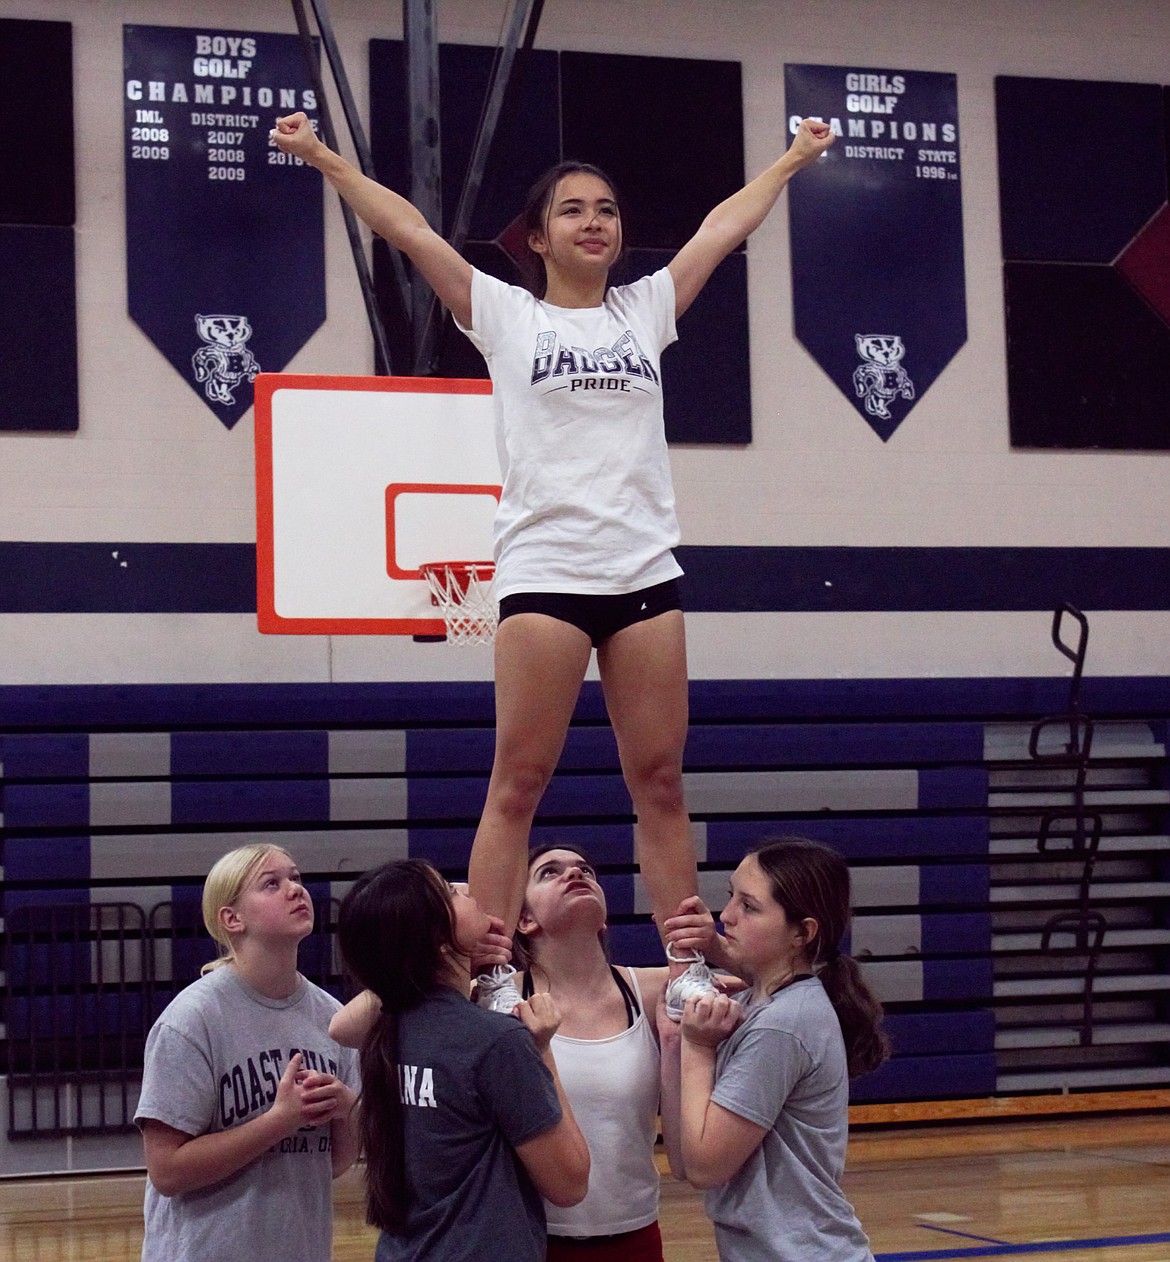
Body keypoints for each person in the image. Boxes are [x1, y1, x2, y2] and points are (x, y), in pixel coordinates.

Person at [271, 112, 836, 1014]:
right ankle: (490, 968)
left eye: (607, 209)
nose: (594, 222)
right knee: (518, 781)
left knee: (658, 780)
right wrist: (321, 154)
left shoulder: (647, 308)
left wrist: (795, 159)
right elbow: (408, 229)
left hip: (644, 572)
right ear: (537, 238)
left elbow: (723, 227)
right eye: (572, 210)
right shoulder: (505, 313)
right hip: (544, 573)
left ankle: (687, 960)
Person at [334, 857, 590, 1262]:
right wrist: (541, 1049)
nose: (466, 888)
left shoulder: (386, 1029)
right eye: (451, 892)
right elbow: (569, 1183)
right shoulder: (495, 1041)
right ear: (438, 939)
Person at [659, 838, 889, 1262]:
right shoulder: (759, 1003)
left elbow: (708, 1167)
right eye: (730, 897)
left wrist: (696, 1046)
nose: (725, 917)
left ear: (802, 932)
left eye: (749, 906)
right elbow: (684, 1162)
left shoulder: (782, 1026)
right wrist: (676, 1043)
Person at [135, 844, 361, 1262]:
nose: (295, 889)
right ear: (231, 919)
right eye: (272, 884)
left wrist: (345, 1109)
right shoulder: (192, 1020)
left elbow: (333, 1164)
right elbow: (166, 1170)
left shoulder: (333, 1018)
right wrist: (279, 1121)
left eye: (296, 878)